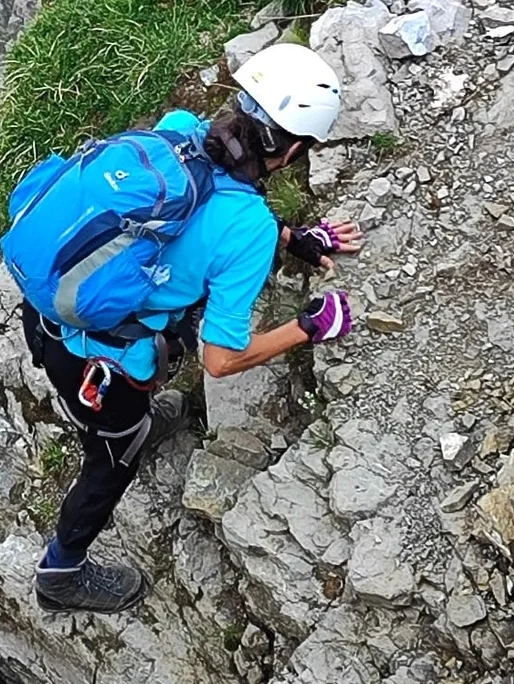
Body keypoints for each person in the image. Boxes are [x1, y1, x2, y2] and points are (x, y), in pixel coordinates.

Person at [20, 43, 362, 613]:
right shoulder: (248, 227)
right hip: (104, 368)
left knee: (121, 417)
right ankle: (61, 572)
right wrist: (310, 326)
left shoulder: (180, 130)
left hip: (48, 309)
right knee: (111, 456)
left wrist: (293, 238)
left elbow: (202, 200)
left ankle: (140, 424)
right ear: (296, 148)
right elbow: (221, 360)